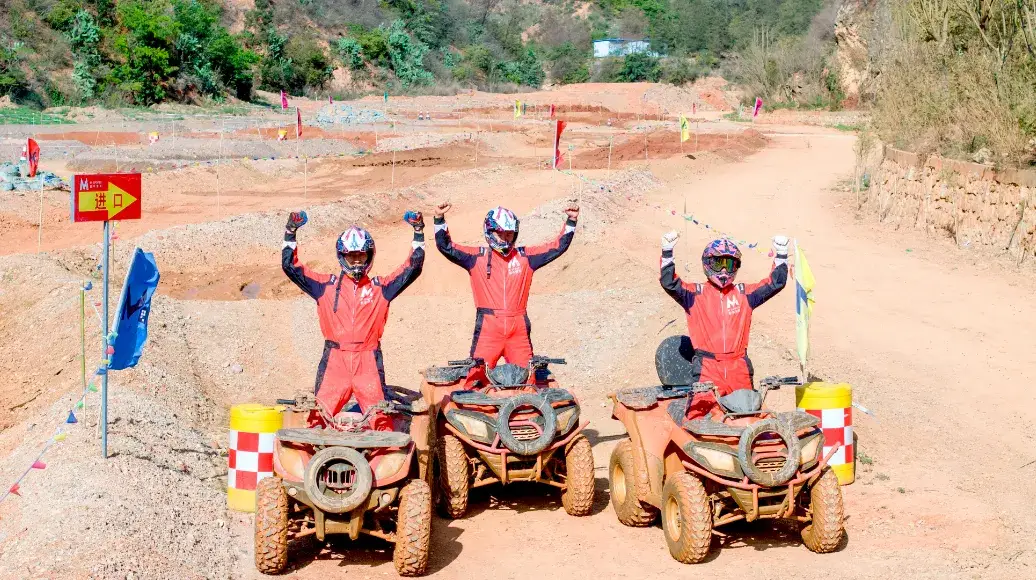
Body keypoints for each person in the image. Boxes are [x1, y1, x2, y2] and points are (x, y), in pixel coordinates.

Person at [282, 210, 425, 430]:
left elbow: (412, 268)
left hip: (368, 360)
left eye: (361, 255)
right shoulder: (324, 286)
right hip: (335, 361)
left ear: (370, 255)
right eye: (351, 255)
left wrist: (418, 231)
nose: (357, 260)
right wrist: (290, 232)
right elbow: (290, 267)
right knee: (318, 418)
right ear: (342, 256)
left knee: (380, 420)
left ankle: (374, 462)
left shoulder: (381, 287)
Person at [433, 202, 579, 368]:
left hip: (518, 329)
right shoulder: (475, 257)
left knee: (526, 378)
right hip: (488, 329)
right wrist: (439, 218)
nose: (505, 238)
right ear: (490, 232)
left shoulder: (526, 257)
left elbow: (557, 246)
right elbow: (446, 247)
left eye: (509, 234)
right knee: (477, 378)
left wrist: (571, 221)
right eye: (500, 234)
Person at [659, 232, 789, 419]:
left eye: (729, 264)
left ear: (736, 266)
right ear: (707, 263)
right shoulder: (694, 294)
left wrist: (782, 254)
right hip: (707, 368)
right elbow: (669, 283)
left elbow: (775, 283)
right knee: (700, 419)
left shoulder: (745, 294)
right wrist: (667, 252)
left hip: (739, 366)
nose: (724, 271)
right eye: (718, 263)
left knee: (748, 416)